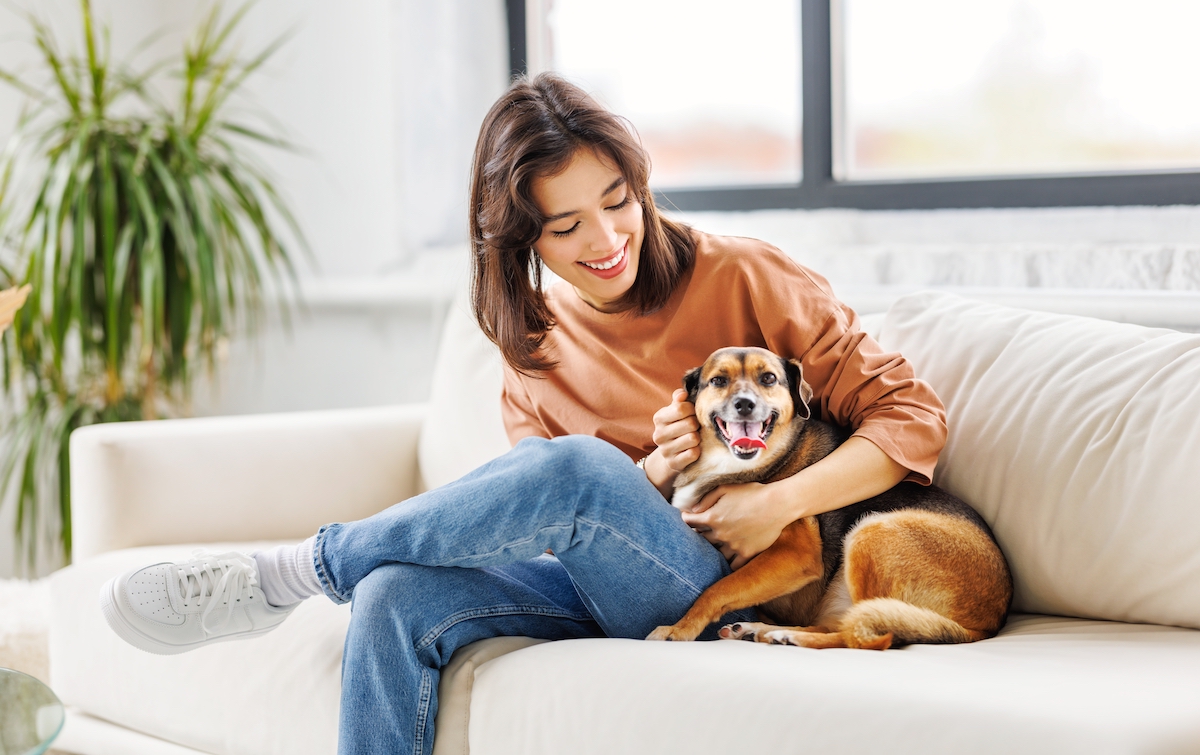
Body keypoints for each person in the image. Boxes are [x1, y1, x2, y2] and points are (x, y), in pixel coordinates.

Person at [100, 74, 946, 755]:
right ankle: (341, 572)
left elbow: (911, 418)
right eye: (568, 225)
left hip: (723, 581)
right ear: (524, 241)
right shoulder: (534, 340)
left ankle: (292, 572)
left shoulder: (747, 277)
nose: (610, 238)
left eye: (620, 200)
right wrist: (647, 473)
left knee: (579, 466)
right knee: (394, 595)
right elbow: (542, 518)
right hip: (601, 574)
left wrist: (777, 501)